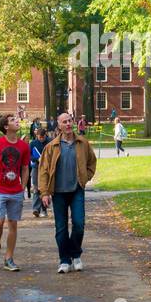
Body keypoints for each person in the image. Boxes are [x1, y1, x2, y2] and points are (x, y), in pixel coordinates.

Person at [39, 112, 98, 274]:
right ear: (59, 125)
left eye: (70, 121)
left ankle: (75, 254)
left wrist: (85, 178)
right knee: (61, 228)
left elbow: (92, 162)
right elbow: (43, 171)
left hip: (77, 189)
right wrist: (44, 192)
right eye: (64, 122)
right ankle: (64, 260)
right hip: (58, 193)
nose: (68, 124)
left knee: (79, 224)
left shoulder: (82, 143)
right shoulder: (51, 147)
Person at [0, 114, 30, 272]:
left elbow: (25, 168)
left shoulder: (24, 146)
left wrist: (22, 187)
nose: (17, 121)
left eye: (17, 119)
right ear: (5, 127)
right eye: (12, 120)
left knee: (13, 224)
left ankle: (8, 258)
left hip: (15, 191)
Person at [29, 127, 49, 217]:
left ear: (45, 135)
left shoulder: (49, 142)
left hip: (46, 168)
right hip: (36, 167)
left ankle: (44, 209)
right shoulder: (33, 143)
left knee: (44, 189)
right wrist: (36, 159)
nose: (41, 139)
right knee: (36, 188)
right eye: (39, 137)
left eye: (42, 137)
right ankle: (36, 209)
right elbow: (28, 155)